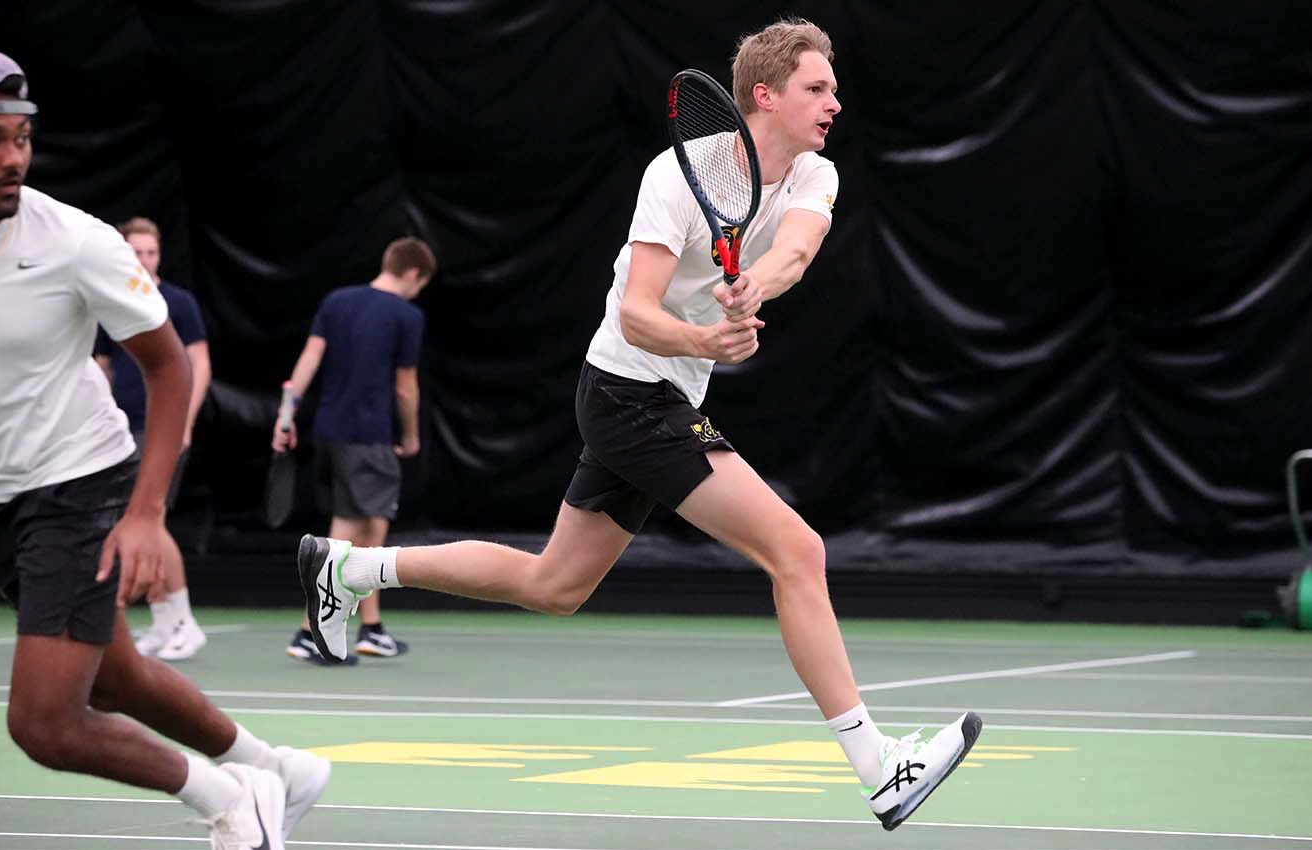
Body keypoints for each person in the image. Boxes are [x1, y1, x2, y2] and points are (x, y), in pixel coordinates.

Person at [296, 20, 981, 830]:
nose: (836, 101)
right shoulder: (674, 176)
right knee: (797, 550)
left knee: (554, 585)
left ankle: (349, 570)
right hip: (629, 392)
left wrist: (748, 291)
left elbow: (793, 255)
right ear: (765, 96)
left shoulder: (815, 174)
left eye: (832, 88)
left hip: (664, 397)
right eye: (817, 88)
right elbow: (636, 311)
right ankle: (879, 768)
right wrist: (704, 340)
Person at [0, 50, 327, 849]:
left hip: (81, 482)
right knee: (117, 673)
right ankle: (278, 768)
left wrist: (146, 516)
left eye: (21, 139)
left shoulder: (76, 244)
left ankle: (228, 798)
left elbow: (170, 367)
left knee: (45, 723)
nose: (13, 159)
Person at [273, 237, 434, 665]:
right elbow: (405, 385)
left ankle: (371, 629)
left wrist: (286, 417)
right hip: (367, 436)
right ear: (415, 274)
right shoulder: (407, 315)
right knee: (348, 531)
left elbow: (308, 359)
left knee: (370, 527)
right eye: (421, 284)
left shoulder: (337, 301)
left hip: (331, 433)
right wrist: (412, 434)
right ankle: (311, 633)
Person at [94, 216, 211, 661]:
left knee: (151, 521)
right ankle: (163, 623)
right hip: (120, 430)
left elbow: (199, 364)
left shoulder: (178, 303)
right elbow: (103, 367)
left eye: (151, 253)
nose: (144, 260)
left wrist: (184, 421)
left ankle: (185, 622)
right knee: (133, 523)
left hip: (161, 427)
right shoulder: (114, 299)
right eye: (136, 252)